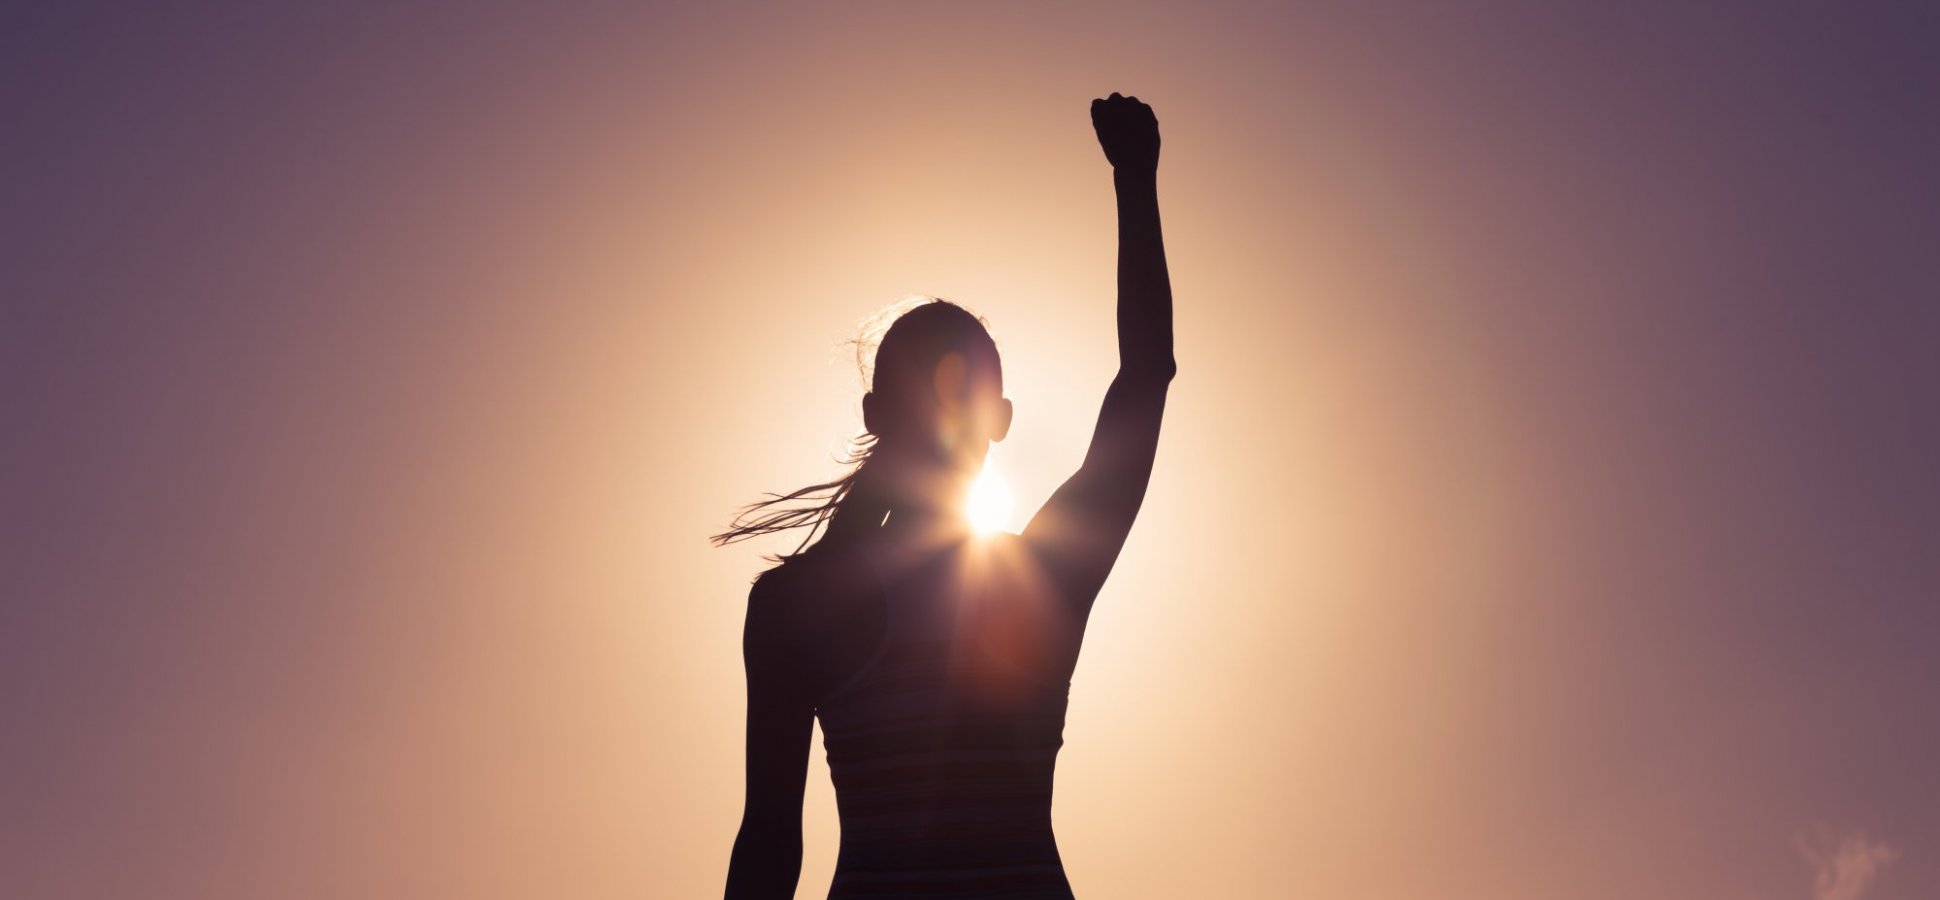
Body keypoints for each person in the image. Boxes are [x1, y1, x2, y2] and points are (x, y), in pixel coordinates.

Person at [716, 92, 1173, 900]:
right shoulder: (1045, 579)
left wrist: (1138, 182)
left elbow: (766, 846)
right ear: (998, 424)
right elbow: (1144, 375)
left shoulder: (796, 603)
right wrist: (1135, 182)